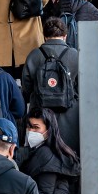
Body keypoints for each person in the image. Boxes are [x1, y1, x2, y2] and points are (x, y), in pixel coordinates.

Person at [22, 17, 81, 154]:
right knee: (68, 151)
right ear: (65, 36)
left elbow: (26, 87)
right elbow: (81, 88)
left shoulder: (34, 55)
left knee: (41, 152)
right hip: (69, 113)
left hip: (40, 113)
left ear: (44, 36)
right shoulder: (75, 55)